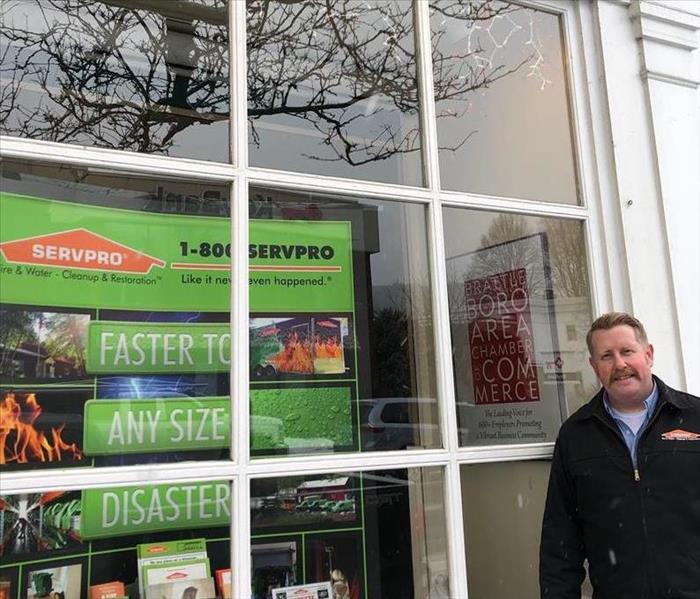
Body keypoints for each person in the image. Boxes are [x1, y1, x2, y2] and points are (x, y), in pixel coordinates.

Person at [539, 312, 700, 598]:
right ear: (593, 366)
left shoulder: (694, 418)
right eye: (606, 356)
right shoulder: (576, 436)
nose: (620, 365)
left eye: (627, 351)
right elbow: (560, 541)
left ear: (648, 354)